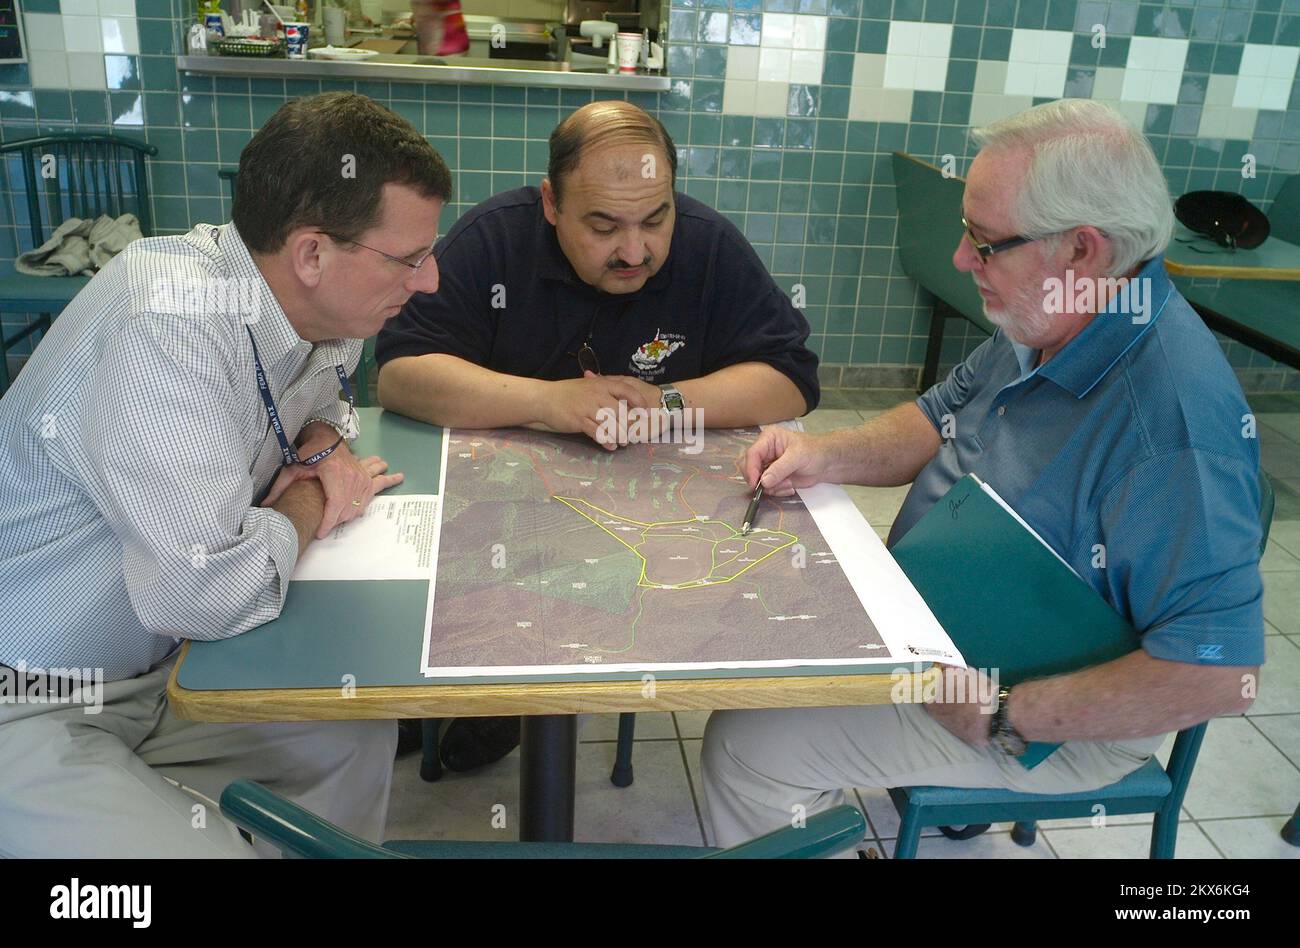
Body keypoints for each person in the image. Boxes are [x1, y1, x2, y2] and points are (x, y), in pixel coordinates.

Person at [702, 98, 1264, 848]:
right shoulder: (1057, 314)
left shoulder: (1174, 427)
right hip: (948, 628)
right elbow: (939, 415)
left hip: (1049, 709)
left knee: (750, 746)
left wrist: (1006, 714)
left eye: (985, 241)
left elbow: (1216, 676)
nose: (963, 260)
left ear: (1082, 250)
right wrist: (825, 455)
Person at [0, 91, 451, 856]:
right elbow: (201, 593)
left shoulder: (317, 312)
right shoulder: (169, 321)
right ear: (312, 253)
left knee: (352, 733)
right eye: (409, 259)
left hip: (165, 673)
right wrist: (311, 496)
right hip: (33, 694)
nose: (431, 280)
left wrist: (315, 447)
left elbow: (331, 413)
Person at [376, 99, 820, 772]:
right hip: (499, 507)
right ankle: (460, 701)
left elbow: (791, 378)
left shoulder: (707, 247)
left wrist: (665, 402)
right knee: (442, 620)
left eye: (655, 219)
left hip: (643, 520)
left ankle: (516, 710)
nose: (635, 251)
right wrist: (549, 402)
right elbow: (402, 374)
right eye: (603, 225)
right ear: (552, 203)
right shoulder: (495, 238)